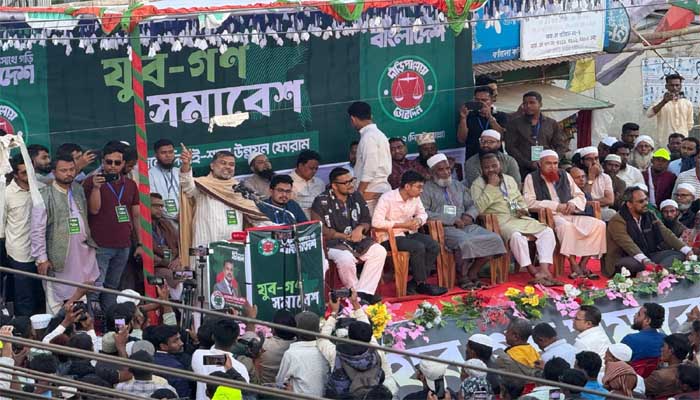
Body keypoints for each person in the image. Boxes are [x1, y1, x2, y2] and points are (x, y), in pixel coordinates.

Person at [471, 153, 558, 286]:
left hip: (519, 217)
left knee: (547, 231)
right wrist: (491, 187)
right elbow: (478, 208)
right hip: (499, 221)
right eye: (487, 167)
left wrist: (522, 209)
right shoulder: (477, 184)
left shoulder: (509, 179)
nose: (491, 170)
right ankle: (533, 271)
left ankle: (544, 270)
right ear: (482, 169)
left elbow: (519, 199)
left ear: (500, 165)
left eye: (494, 166)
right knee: (516, 236)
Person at [420, 154, 505, 289]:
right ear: (432, 172)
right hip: (444, 228)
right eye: (441, 169)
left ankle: (473, 272)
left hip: (466, 225)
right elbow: (423, 213)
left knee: (494, 239)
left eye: (448, 168)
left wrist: (469, 216)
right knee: (464, 242)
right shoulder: (425, 189)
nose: (446, 172)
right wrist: (451, 220)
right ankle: (462, 276)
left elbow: (472, 205)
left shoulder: (457, 185)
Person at [31, 154, 99, 314]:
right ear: (54, 172)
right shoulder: (44, 194)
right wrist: (41, 258)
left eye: (71, 169)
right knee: (56, 300)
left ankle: (82, 325)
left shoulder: (78, 189)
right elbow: (37, 229)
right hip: (59, 255)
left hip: (82, 253)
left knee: (82, 295)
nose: (69, 173)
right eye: (64, 170)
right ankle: (57, 327)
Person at [523, 150, 606, 279]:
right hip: (550, 217)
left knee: (599, 225)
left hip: (570, 214)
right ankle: (573, 264)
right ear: (540, 164)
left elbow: (580, 195)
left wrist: (573, 203)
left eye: (555, 163)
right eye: (548, 163)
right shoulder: (531, 178)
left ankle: (583, 264)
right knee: (566, 227)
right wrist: (556, 206)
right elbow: (529, 202)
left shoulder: (564, 175)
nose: (553, 167)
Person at [179, 146, 269, 263]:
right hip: (205, 244)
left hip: (233, 247)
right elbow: (187, 185)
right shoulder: (202, 184)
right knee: (204, 273)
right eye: (223, 163)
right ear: (212, 166)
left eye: (231, 164)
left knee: (234, 272)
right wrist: (186, 165)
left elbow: (255, 217)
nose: (228, 167)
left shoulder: (239, 189)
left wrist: (277, 228)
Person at [311, 167, 386, 304]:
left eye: (352, 180)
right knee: (345, 258)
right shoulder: (321, 201)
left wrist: (360, 228)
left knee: (379, 251)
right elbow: (320, 228)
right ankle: (355, 294)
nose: (351, 184)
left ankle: (363, 293)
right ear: (334, 185)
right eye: (346, 182)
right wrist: (344, 236)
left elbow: (366, 219)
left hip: (357, 240)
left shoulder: (356, 196)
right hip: (332, 243)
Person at [82, 142, 141, 311]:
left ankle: (111, 321)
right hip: (100, 244)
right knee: (95, 288)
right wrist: (96, 188)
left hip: (124, 244)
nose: (113, 166)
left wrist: (140, 244)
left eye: (117, 162)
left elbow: (136, 216)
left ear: (123, 163)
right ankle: (92, 323)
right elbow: (94, 210)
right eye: (109, 162)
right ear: (102, 161)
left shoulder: (130, 184)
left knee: (112, 287)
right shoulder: (90, 182)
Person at [372, 171, 447, 296]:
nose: (421, 191)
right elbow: (376, 222)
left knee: (433, 246)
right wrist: (402, 225)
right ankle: (421, 284)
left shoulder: (415, 198)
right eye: (419, 187)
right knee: (418, 247)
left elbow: (423, 214)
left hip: (409, 233)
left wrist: (418, 220)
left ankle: (415, 283)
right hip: (389, 237)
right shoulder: (387, 198)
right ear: (407, 186)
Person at [319, 290, 394, 398]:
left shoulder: (336, 354)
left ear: (349, 336)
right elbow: (365, 325)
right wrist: (355, 303)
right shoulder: (376, 350)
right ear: (369, 336)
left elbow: (322, 339)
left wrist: (334, 312)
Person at [604, 186, 693, 277]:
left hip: (648, 254)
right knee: (631, 265)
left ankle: (656, 273)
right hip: (625, 257)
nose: (646, 203)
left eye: (646, 200)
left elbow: (666, 233)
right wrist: (645, 261)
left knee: (679, 255)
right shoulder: (618, 220)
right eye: (641, 201)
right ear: (629, 204)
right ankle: (658, 272)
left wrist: (687, 251)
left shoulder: (649, 214)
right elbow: (628, 244)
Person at [4, 154, 44, 316]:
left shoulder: (42, 188)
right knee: (24, 296)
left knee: (43, 294)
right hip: (20, 252)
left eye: (30, 171)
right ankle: (25, 328)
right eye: (24, 173)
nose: (29, 175)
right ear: (15, 174)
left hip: (43, 252)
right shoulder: (6, 194)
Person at [504, 91, 567, 179]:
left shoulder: (551, 123)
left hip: (548, 169)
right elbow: (510, 147)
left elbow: (561, 145)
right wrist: (528, 163)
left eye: (532, 103)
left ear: (540, 104)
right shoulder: (514, 124)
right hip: (523, 169)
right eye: (525, 103)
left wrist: (551, 161)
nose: (528, 106)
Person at [347, 101, 392, 213]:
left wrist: (359, 193)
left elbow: (370, 169)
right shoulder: (379, 134)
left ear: (353, 119)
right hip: (379, 190)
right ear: (371, 116)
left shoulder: (369, 137)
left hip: (371, 193)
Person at [192, 318, 250, 400]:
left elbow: (210, 359)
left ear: (213, 337)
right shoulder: (240, 368)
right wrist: (229, 367)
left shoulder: (198, 356)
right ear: (235, 341)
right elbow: (244, 393)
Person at [276, 311, 329, 395]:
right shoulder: (325, 350)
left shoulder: (291, 354)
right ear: (318, 330)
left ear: (295, 331)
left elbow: (280, 382)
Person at [457, 85, 507, 160]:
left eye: (484, 100)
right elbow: (461, 139)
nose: (481, 103)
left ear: (492, 100)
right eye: (477, 100)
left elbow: (502, 137)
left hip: (495, 158)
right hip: (473, 158)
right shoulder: (468, 115)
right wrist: (463, 118)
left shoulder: (500, 115)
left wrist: (490, 117)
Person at [150, 193, 182, 292]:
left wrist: (178, 259)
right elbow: (144, 252)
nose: (160, 209)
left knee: (189, 274)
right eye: (156, 206)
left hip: (172, 264)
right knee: (172, 276)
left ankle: (184, 300)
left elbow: (180, 245)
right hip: (155, 267)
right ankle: (177, 301)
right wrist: (164, 262)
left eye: (161, 206)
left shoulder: (166, 224)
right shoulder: (141, 227)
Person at [646, 74, 695, 141]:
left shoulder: (687, 103)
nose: (674, 88)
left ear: (681, 86)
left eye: (677, 85)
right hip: (665, 141)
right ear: (666, 86)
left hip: (682, 141)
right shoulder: (660, 102)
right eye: (672, 85)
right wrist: (664, 101)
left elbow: (690, 125)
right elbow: (649, 114)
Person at [645, 333, 691, 398]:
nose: (661, 349)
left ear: (671, 350)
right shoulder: (692, 372)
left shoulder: (657, 376)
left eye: (663, 346)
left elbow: (639, 389)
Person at [152, 324, 191, 399]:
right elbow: (183, 395)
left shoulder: (149, 360)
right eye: (175, 341)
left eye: (179, 338)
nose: (181, 343)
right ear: (163, 346)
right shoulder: (175, 366)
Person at [576, 147, 615, 220]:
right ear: (582, 161)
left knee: (611, 213)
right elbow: (584, 198)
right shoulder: (578, 176)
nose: (594, 162)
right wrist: (591, 177)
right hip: (584, 211)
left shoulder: (605, 177)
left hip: (602, 210)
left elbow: (610, 200)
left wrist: (591, 202)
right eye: (589, 159)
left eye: (596, 158)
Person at [259, 310, 296, 385]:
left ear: (273, 329)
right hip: (289, 388)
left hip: (264, 388)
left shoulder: (264, 345)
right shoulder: (298, 347)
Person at [148, 139, 180, 217]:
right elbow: (153, 201)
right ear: (156, 155)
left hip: (185, 217)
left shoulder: (179, 172)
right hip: (164, 220)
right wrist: (172, 216)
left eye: (171, 152)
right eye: (163, 153)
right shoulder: (150, 174)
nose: (168, 156)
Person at [289, 150, 325, 218]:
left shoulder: (320, 183)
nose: (314, 171)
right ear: (300, 166)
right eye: (311, 168)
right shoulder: (287, 183)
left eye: (316, 169)